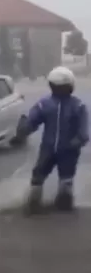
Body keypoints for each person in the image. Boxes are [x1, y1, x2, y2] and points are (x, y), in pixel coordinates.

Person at [23, 66, 88, 212]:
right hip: (63, 149)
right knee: (60, 176)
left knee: (44, 175)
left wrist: (24, 129)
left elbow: (31, 122)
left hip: (54, 148)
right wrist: (76, 142)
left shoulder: (46, 104)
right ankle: (60, 203)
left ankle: (37, 204)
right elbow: (83, 134)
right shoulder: (77, 105)